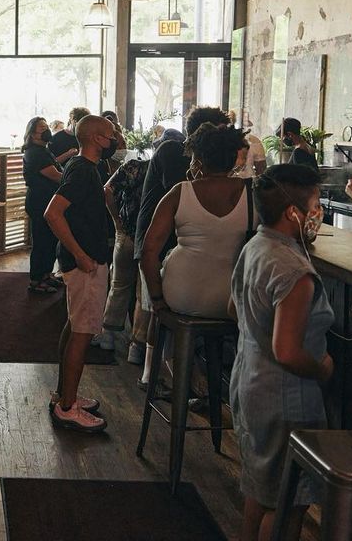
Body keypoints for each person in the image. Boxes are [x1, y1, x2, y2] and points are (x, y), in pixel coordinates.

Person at [232, 164, 334, 541]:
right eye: (315, 205)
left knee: (260, 489)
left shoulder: (254, 247)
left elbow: (232, 309)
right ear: (294, 212)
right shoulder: (295, 271)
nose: (317, 213)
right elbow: (288, 352)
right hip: (286, 396)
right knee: (288, 502)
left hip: (249, 379)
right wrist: (322, 368)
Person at [133, 106, 230, 387]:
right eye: (219, 131)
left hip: (178, 245)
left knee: (161, 309)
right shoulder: (172, 152)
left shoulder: (200, 164)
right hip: (157, 242)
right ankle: (154, 372)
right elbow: (187, 190)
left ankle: (173, 372)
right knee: (156, 308)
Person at [44, 115, 119, 432]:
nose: (115, 139)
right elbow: (53, 213)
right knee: (82, 332)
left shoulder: (84, 167)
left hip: (87, 258)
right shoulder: (82, 170)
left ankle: (66, 394)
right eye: (111, 134)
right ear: (97, 139)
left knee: (75, 326)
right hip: (85, 262)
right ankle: (67, 407)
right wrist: (80, 254)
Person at [141, 123, 250, 320]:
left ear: (198, 160)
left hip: (181, 293)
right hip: (233, 298)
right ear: (234, 158)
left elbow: (148, 251)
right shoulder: (253, 193)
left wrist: (157, 300)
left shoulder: (179, 192)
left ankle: (157, 338)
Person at [96, 154, 151, 363]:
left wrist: (116, 220)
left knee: (119, 285)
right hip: (151, 238)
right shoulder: (173, 172)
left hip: (126, 232)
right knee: (143, 294)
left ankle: (107, 335)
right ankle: (137, 346)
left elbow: (107, 190)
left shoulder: (134, 167)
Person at [21, 117, 63, 293]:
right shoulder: (34, 153)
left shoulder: (44, 150)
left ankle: (46, 274)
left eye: (47, 127)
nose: (46, 131)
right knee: (41, 241)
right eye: (42, 128)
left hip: (47, 200)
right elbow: (55, 175)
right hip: (39, 201)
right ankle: (36, 279)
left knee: (50, 240)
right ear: (32, 134)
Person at [229, 110, 266, 178]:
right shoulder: (253, 141)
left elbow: (261, 171)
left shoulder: (253, 141)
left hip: (247, 180)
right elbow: (261, 171)